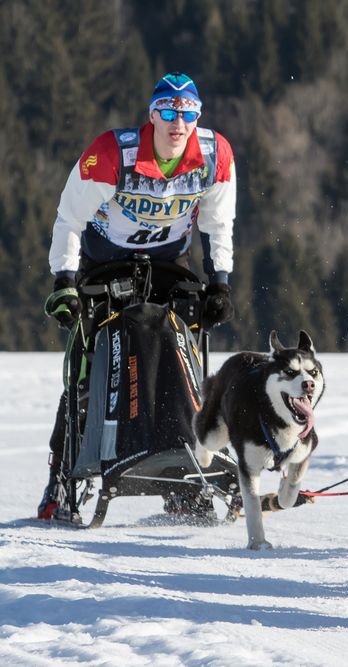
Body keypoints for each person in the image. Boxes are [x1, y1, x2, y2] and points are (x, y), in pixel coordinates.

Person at [38, 72, 237, 519]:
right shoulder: (113, 152)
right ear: (152, 115)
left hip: (169, 266)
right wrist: (64, 281)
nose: (177, 123)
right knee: (86, 372)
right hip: (104, 265)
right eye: (167, 112)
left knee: (179, 355)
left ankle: (183, 477)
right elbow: (68, 219)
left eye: (187, 114)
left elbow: (218, 223)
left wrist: (220, 280)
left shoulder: (215, 155)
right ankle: (61, 477)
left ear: (198, 118)